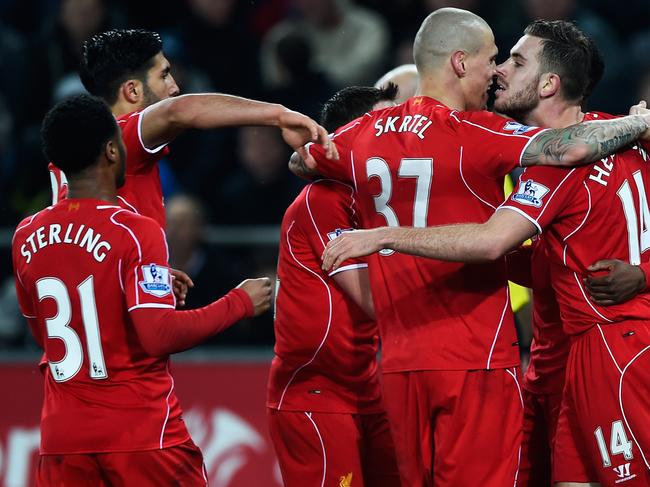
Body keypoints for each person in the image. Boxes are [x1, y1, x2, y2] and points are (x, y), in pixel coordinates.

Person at [292, 8, 650, 486]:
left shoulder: (366, 135)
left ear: (547, 85)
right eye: (495, 59)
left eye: (513, 62)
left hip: (598, 348)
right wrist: (640, 122)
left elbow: (302, 159)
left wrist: (381, 232)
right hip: (520, 360)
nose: (498, 71)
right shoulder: (496, 137)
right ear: (461, 63)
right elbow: (526, 238)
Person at [12, 94, 273, 486]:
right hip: (142, 437)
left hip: (62, 442)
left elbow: (45, 334)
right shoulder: (135, 231)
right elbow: (158, 335)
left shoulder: (25, 234)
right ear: (112, 150)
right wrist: (239, 302)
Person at [49, 28, 336, 228]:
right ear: (132, 91)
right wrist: (279, 115)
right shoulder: (120, 136)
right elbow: (179, 111)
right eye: (164, 75)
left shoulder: (72, 153)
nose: (175, 87)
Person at [268, 84, 399, 487]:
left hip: (364, 390)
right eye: (387, 125)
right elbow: (372, 300)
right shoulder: (322, 200)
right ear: (351, 136)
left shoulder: (371, 201)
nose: (400, 135)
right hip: (316, 396)